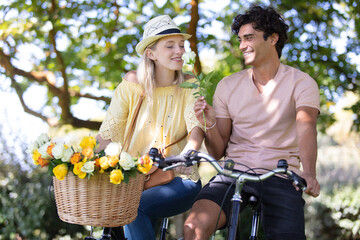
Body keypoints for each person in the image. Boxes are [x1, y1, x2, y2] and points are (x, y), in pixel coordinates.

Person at [184, 5, 321, 240]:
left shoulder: (302, 83)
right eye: (240, 39)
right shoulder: (228, 85)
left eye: (249, 38)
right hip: (233, 172)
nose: (241, 46)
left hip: (280, 174)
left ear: (273, 38)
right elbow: (217, 152)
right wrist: (210, 124)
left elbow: (306, 126)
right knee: (194, 228)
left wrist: (309, 172)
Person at [96, 15, 204, 240]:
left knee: (133, 209)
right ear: (151, 53)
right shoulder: (132, 85)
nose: (179, 51)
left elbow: (196, 127)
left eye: (182, 45)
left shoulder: (190, 83)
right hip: (135, 182)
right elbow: (108, 134)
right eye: (170, 46)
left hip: (179, 178)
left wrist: (188, 153)